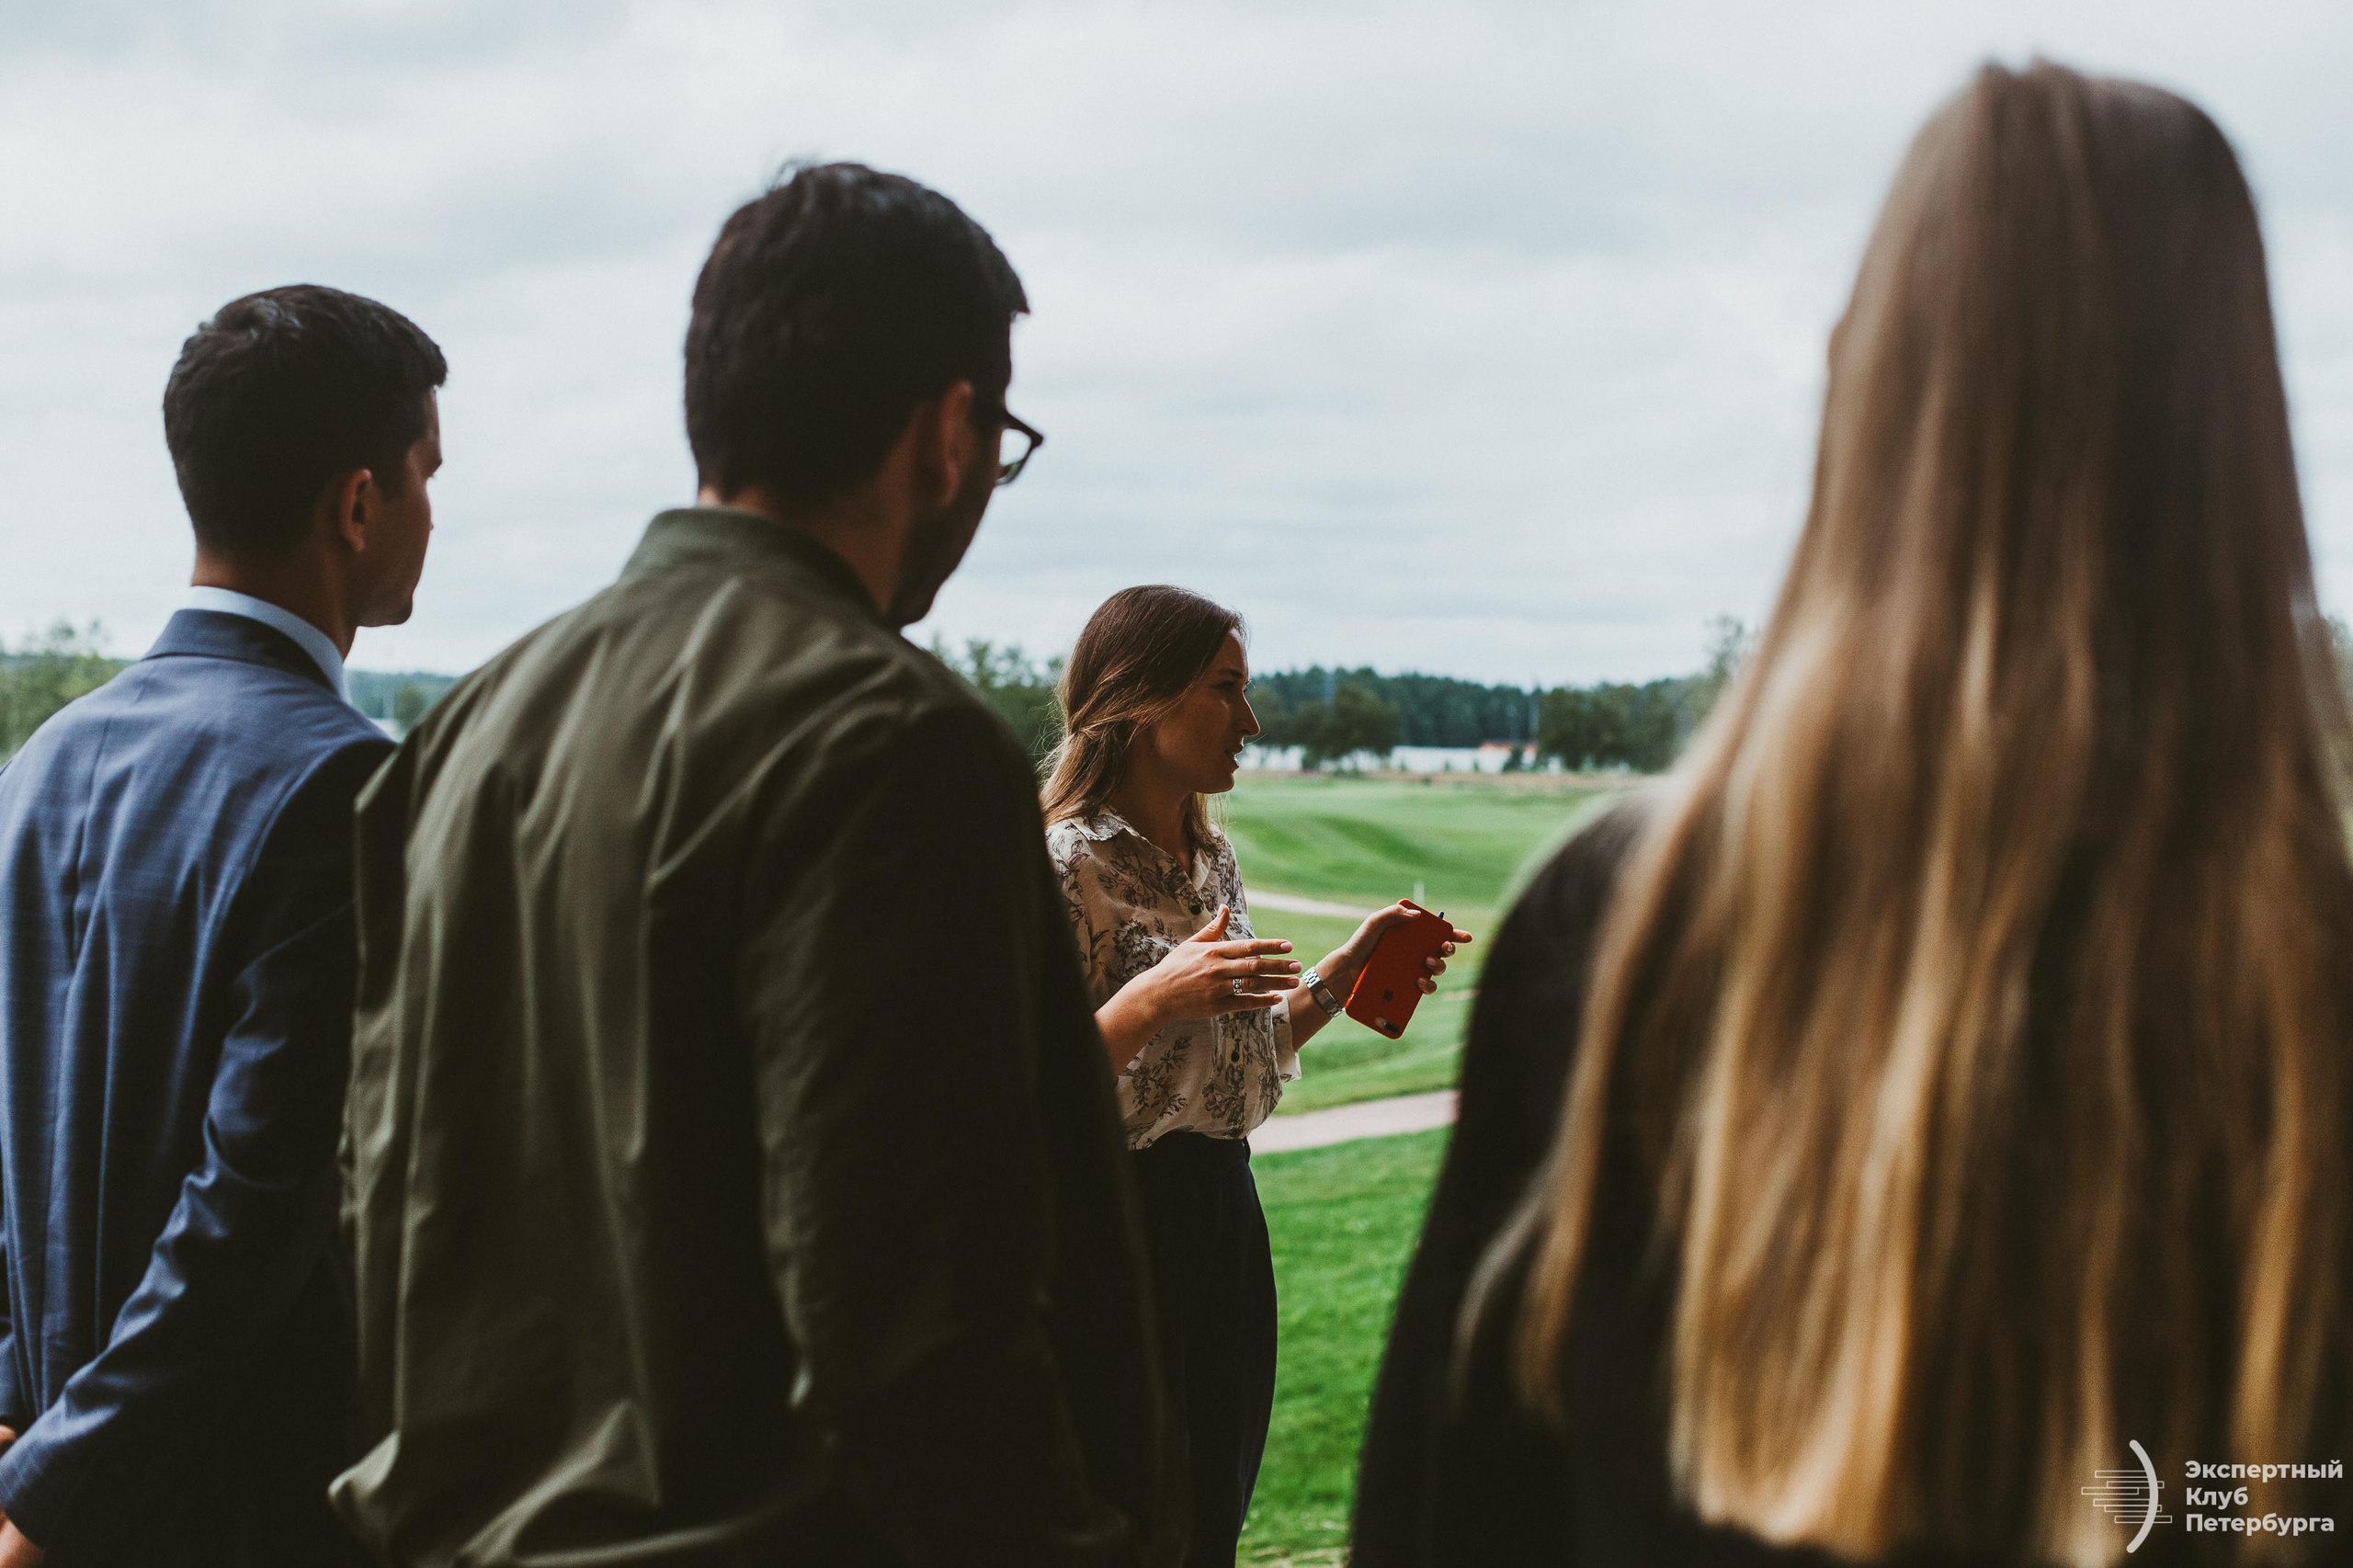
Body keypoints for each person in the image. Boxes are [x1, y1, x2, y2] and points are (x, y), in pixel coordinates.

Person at [1353, 59, 2353, 1566]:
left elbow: (1443, 1519)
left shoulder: (1623, 930)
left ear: (1861, 393)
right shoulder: (2310, 978)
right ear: (2245, 441)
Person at [331, 163, 1182, 1568]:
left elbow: (382, 1208)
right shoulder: (891, 741)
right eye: (1000, 442)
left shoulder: (463, 734)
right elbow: (921, 1334)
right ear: (947, 434)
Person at [0, 285, 445, 1566]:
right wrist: (49, 1499)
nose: (431, 514)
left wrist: (28, 1436)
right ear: (357, 504)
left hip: (51, 1458)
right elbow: (253, 1207)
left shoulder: (43, 759)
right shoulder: (348, 782)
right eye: (425, 475)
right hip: (248, 1506)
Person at [1041, 585, 1470, 1566]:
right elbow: (1021, 1090)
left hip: (1224, 1217)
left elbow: (1227, 1066)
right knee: (1126, 1526)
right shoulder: (1064, 863)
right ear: (1141, 698)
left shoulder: (1211, 859)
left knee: (1210, 1519)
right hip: (1118, 1232)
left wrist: (1340, 976)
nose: (1252, 720)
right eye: (1225, 689)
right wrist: (1148, 1002)